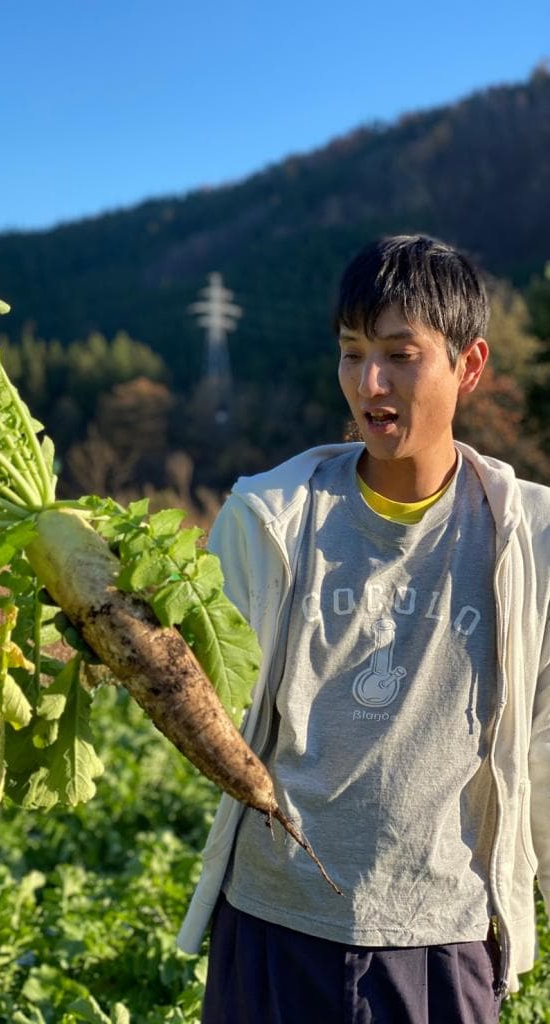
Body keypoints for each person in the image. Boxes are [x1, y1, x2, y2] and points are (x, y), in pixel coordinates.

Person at [176, 235, 550, 1023]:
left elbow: (543, 740)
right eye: (350, 353)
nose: (368, 382)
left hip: (439, 933)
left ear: (469, 366)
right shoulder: (271, 518)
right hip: (277, 918)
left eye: (399, 355)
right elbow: (208, 692)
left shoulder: (528, 537)